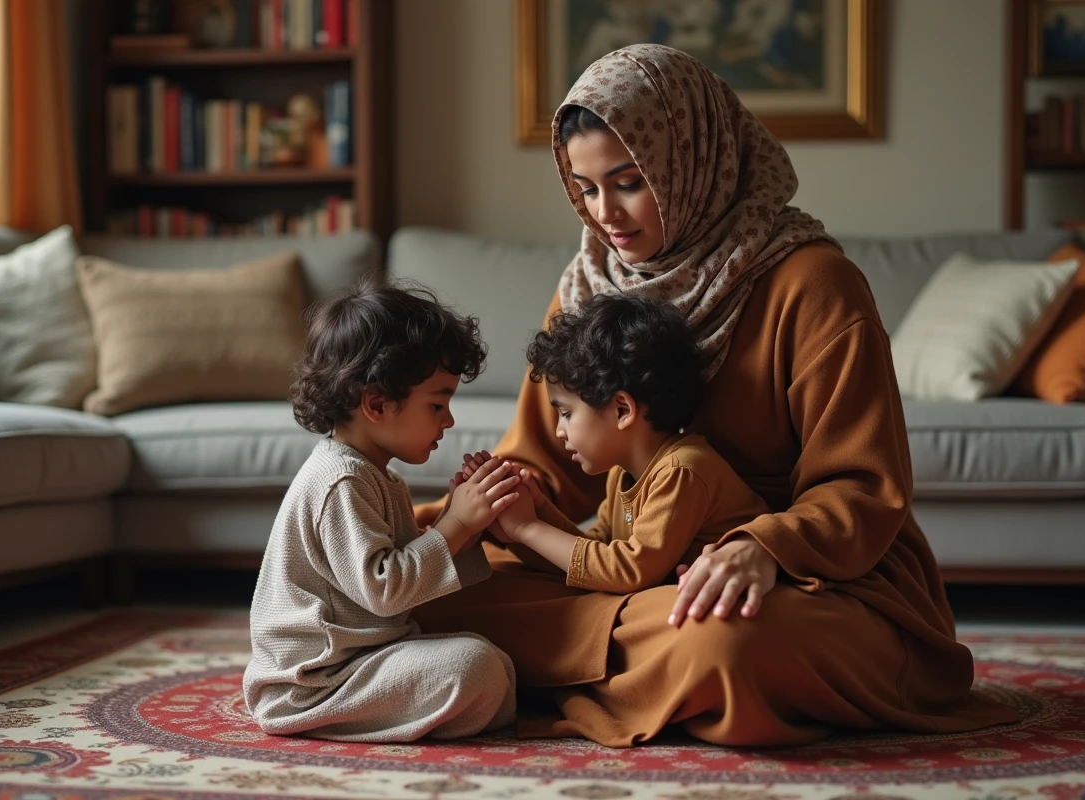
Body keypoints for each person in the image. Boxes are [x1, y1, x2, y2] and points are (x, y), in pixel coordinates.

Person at [412, 43, 1020, 749]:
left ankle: (558, 667)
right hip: (634, 576)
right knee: (432, 587)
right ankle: (611, 664)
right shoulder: (589, 286)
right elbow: (548, 466)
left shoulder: (815, 285)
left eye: (630, 181)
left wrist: (760, 547)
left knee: (727, 644)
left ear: (691, 160)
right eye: (585, 188)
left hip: (801, 581)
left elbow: (862, 489)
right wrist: (444, 524)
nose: (605, 213)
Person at [244, 283, 519, 743]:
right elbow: (388, 590)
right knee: (475, 667)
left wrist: (464, 524)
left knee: (493, 660)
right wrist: (457, 525)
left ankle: (473, 708)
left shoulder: (376, 475)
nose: (448, 421)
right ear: (376, 404)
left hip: (365, 656)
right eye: (437, 404)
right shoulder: (342, 481)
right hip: (315, 683)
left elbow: (409, 575)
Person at [470, 292, 770, 597]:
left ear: (622, 410)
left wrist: (528, 529)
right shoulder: (623, 473)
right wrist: (532, 514)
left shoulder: (684, 470)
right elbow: (594, 554)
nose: (559, 431)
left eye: (566, 413)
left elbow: (628, 571)